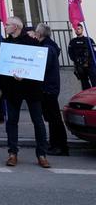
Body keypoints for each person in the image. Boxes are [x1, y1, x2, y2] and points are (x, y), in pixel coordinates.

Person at [0, 16, 50, 168]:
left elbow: (38, 65)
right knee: (12, 122)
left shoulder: (32, 42)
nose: (5, 27)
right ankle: (12, 153)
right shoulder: (6, 43)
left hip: (31, 88)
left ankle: (42, 154)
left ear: (15, 27)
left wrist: (25, 75)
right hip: (12, 89)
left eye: (7, 25)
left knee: (38, 121)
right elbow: (1, 65)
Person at [35, 23, 69, 156]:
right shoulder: (49, 46)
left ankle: (60, 145)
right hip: (50, 87)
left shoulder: (47, 49)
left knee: (54, 118)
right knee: (52, 118)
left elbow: (43, 67)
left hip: (48, 88)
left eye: (36, 32)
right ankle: (55, 143)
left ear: (40, 34)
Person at [68, 23, 96, 90]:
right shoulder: (72, 42)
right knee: (85, 86)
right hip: (80, 67)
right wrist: (77, 60)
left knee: (94, 84)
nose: (77, 30)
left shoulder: (89, 40)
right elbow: (70, 53)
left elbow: (94, 52)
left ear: (82, 29)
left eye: (78, 29)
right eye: (75, 29)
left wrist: (90, 61)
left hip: (90, 65)